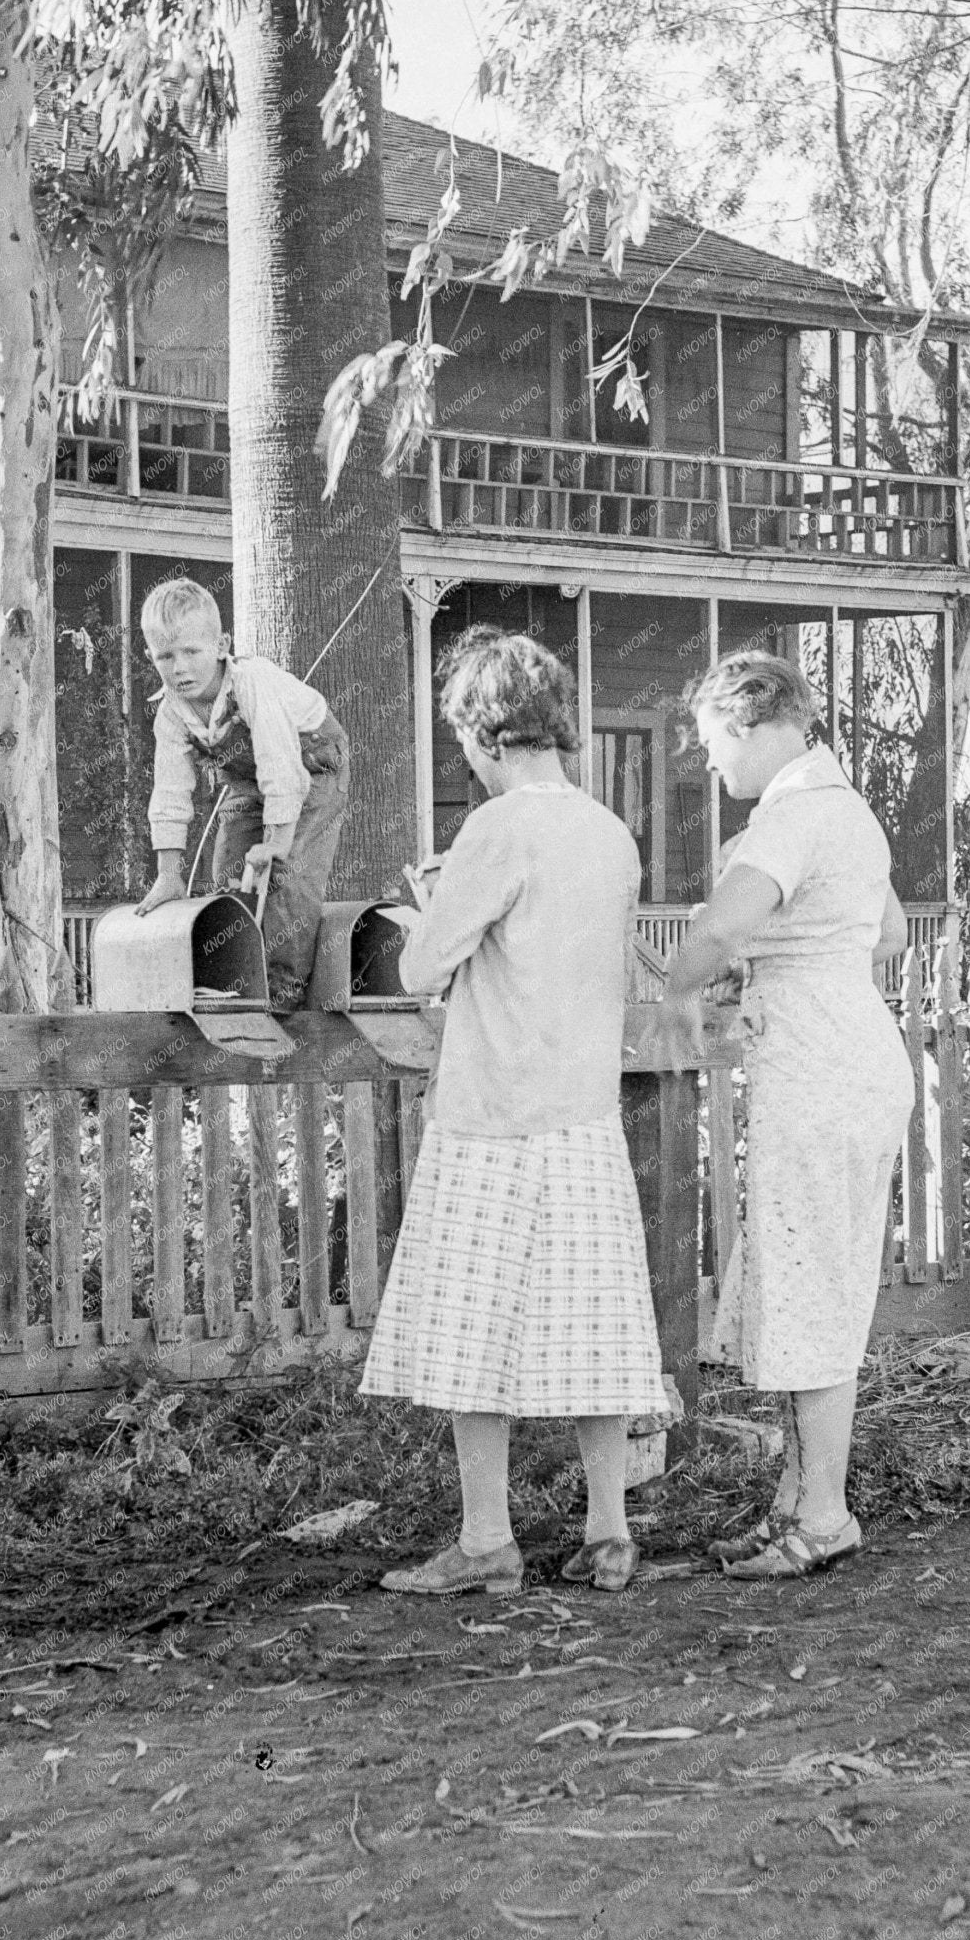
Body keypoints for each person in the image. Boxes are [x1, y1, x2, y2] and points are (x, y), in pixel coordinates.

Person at [361, 626, 669, 1597]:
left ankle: (487, 1536)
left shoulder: (496, 829)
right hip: (580, 1111)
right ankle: (608, 1528)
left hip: (493, 1112)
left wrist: (430, 904)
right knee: (595, 1323)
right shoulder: (608, 832)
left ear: (482, 734)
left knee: (469, 1331)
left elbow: (420, 967)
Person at [655, 651, 912, 1580]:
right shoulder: (847, 811)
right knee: (812, 1280)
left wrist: (679, 996)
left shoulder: (796, 814)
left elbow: (717, 928)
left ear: (752, 722)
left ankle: (826, 1516)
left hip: (818, 1065)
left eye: (712, 742)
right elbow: (885, 932)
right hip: (855, 1046)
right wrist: (798, 954)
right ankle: (798, 1503)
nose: (710, 764)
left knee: (812, 1289)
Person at [133, 577, 349, 1013]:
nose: (179, 668)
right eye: (165, 656)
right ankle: (236, 981)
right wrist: (169, 872)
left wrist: (277, 842)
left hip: (312, 765)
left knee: (287, 875)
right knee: (229, 869)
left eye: (191, 652)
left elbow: (281, 766)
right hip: (249, 783)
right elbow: (171, 790)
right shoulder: (171, 714)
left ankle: (284, 992)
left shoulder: (253, 685)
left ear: (220, 644)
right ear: (150, 657)